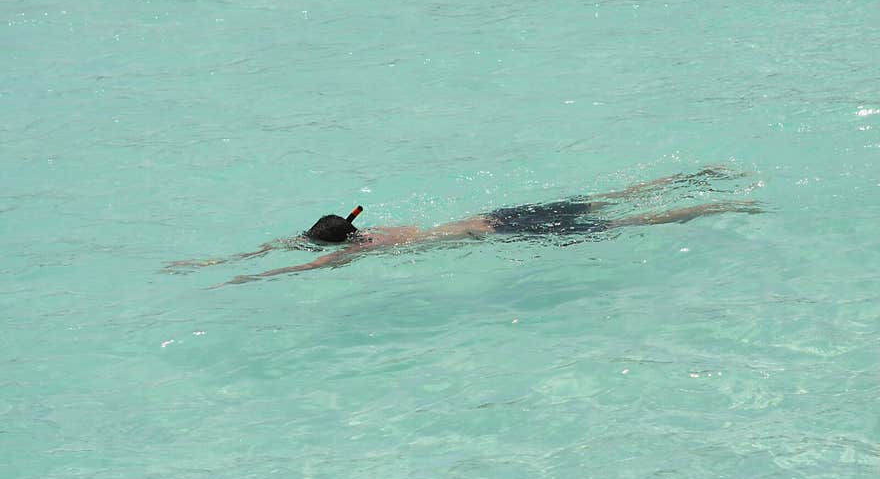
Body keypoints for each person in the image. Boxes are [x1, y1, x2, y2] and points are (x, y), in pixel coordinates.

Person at [165, 166, 763, 286]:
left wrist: (231, 277)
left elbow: (302, 259)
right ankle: (696, 178)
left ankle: (716, 207)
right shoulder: (366, 232)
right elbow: (296, 241)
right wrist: (215, 262)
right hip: (501, 215)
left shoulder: (359, 251)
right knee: (607, 199)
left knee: (631, 222)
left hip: (497, 233)